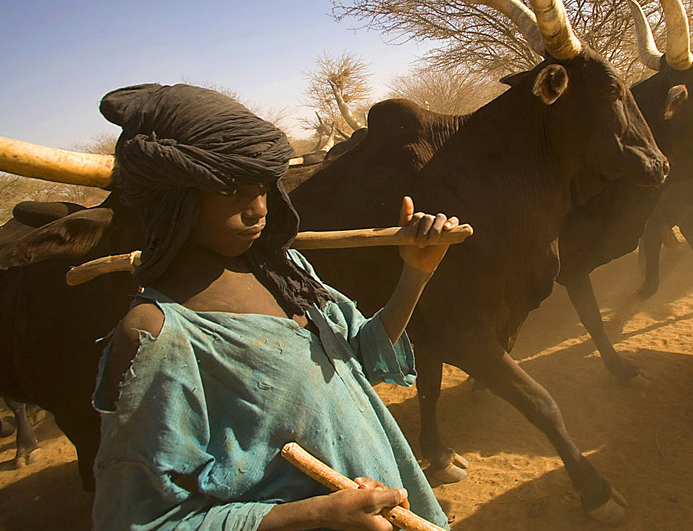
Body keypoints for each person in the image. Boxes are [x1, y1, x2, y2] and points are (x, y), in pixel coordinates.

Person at [91, 83, 452, 530]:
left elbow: (363, 355)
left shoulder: (285, 271)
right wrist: (316, 516)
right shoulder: (158, 335)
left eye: (262, 185)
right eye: (229, 190)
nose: (258, 209)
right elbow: (145, 521)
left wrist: (416, 272)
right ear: (171, 197)